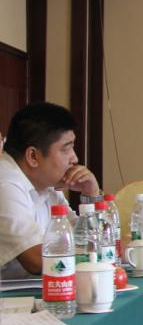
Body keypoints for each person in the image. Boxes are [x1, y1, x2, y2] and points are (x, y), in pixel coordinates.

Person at [1, 102, 100, 279]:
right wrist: (91, 250)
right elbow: (37, 260)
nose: (75, 158)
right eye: (66, 149)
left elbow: (87, 239)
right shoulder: (5, 183)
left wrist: (91, 194)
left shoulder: (46, 183)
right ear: (33, 156)